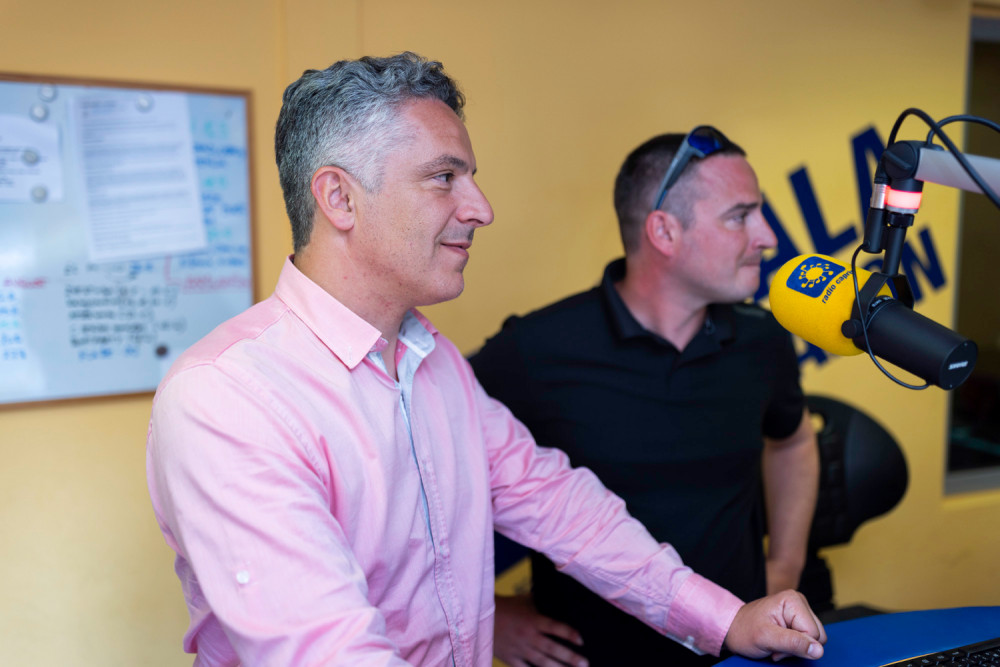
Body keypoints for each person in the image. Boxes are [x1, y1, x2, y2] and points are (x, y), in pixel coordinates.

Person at [146, 55, 826, 666]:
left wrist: (725, 618)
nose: (482, 209)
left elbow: (561, 506)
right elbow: (327, 650)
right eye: (445, 178)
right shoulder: (227, 396)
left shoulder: (433, 360)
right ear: (339, 198)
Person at [471, 128, 820, 666]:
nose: (767, 236)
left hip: (740, 653)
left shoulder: (762, 340)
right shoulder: (534, 350)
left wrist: (786, 566)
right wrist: (487, 616)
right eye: (740, 216)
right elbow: (417, 476)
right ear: (664, 231)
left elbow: (793, 442)